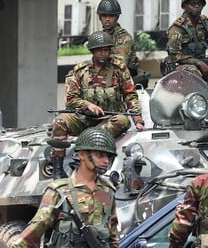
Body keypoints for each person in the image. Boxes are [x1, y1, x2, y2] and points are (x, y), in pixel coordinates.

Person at [50, 30, 145, 179]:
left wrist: (138, 120)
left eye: (106, 50)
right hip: (84, 119)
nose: (103, 53)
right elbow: (71, 98)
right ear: (92, 51)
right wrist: (87, 105)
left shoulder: (119, 69)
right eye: (99, 50)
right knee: (60, 121)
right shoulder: (80, 71)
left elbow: (130, 95)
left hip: (109, 120)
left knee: (122, 120)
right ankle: (57, 168)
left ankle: (86, 146)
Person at [96, 0, 149, 88]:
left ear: (117, 17)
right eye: (104, 16)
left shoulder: (123, 37)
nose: (107, 19)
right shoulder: (101, 36)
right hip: (107, 76)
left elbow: (120, 64)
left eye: (111, 16)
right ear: (100, 17)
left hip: (124, 79)